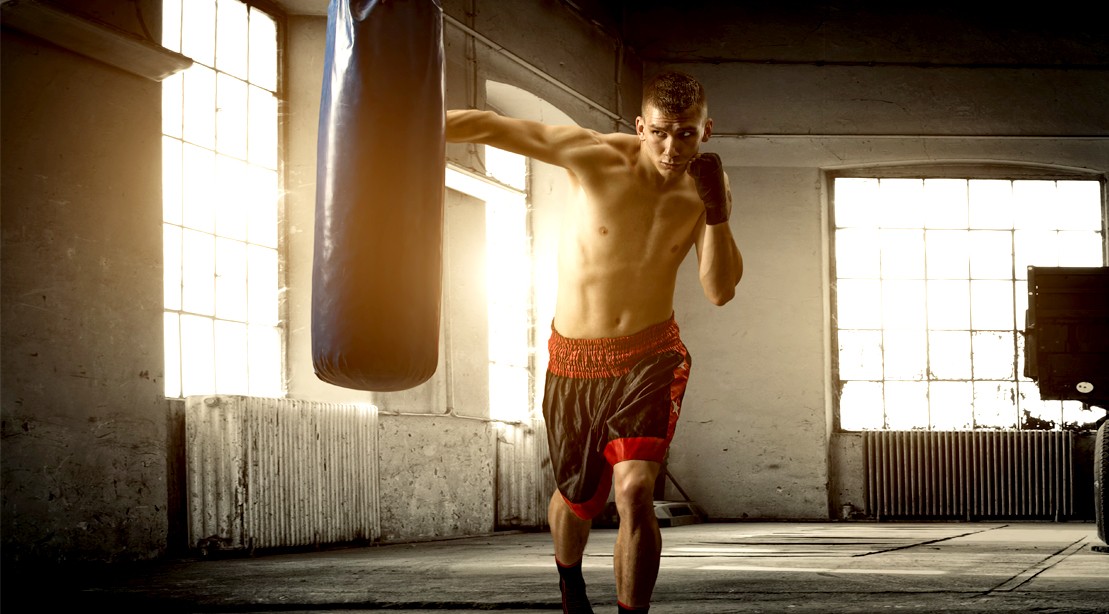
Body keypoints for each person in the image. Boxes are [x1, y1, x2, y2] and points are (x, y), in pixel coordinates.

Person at [446, 71, 742, 613]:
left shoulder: (704, 190)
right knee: (579, 500)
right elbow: (491, 125)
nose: (672, 148)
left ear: (706, 130)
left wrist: (717, 210)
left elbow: (719, 290)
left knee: (634, 492)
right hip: (575, 361)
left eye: (686, 134)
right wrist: (392, 130)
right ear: (639, 126)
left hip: (651, 357)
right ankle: (571, 582)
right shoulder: (594, 155)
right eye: (659, 133)